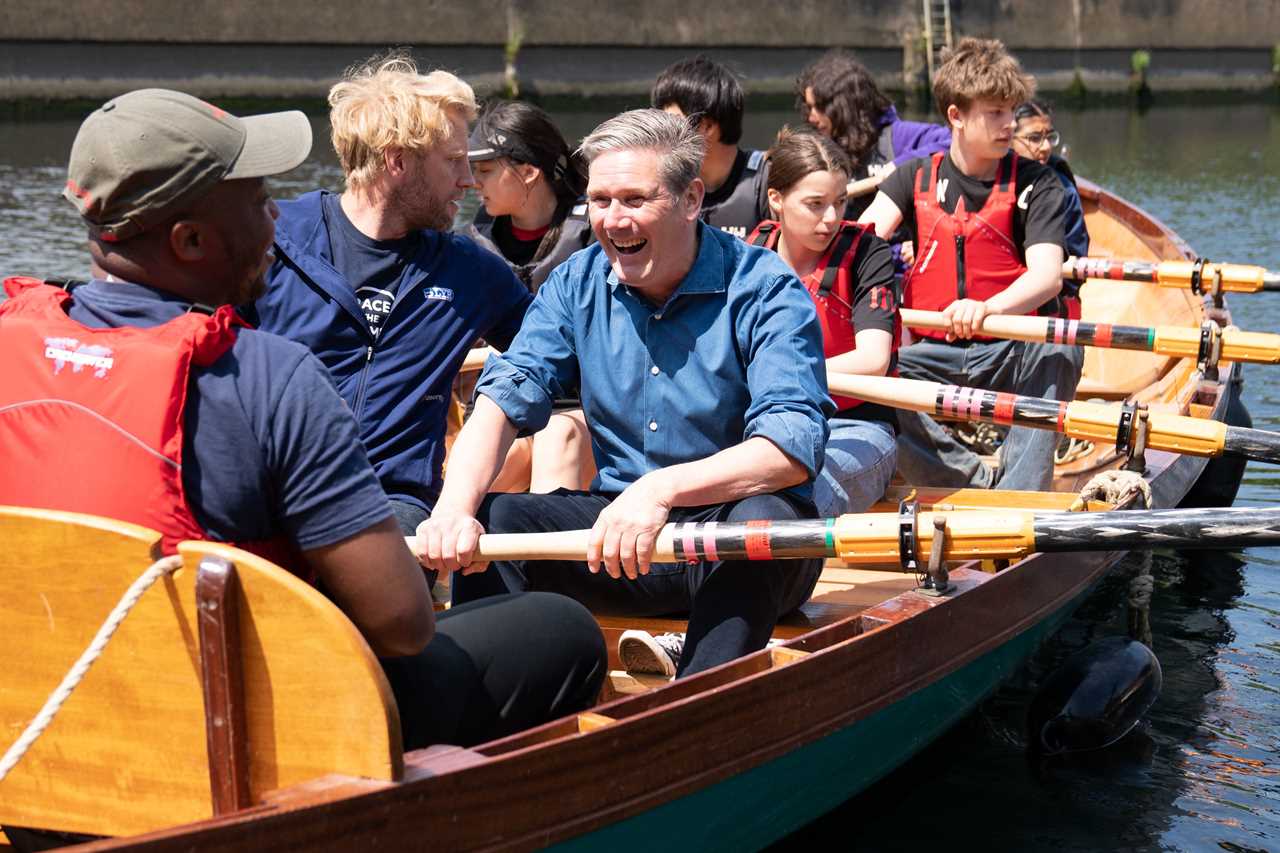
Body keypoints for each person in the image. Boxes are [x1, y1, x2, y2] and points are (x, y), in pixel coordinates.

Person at [0, 88, 605, 751]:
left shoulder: (12, 339)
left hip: (40, 712)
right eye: (260, 204)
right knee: (564, 629)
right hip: (236, 728)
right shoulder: (270, 378)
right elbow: (403, 625)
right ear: (191, 240)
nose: (275, 222)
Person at [417, 109, 833, 680]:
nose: (613, 221)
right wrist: (452, 511)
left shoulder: (766, 287)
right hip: (621, 542)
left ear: (690, 199)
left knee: (756, 523)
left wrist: (660, 491)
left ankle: (697, 703)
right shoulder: (575, 281)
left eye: (634, 200)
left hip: (737, 546)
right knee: (497, 515)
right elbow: (502, 399)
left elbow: (789, 446)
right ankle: (484, 698)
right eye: (600, 200)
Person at [247, 53, 533, 544]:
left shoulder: (473, 272)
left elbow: (557, 351)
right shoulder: (271, 240)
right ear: (398, 162)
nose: (468, 181)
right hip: (263, 489)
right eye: (453, 162)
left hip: (388, 508)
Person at [859, 37, 1082, 492]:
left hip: (1009, 345)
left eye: (1010, 111)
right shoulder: (913, 176)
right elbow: (857, 245)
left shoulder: (1038, 184)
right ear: (956, 116)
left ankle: (1020, 497)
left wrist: (988, 308)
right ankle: (971, 480)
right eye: (994, 113)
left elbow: (1046, 276)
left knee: (1058, 349)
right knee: (867, 374)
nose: (1008, 125)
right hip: (932, 349)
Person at [747, 127, 899, 516]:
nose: (831, 218)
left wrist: (780, 378)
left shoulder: (868, 253)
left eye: (841, 202)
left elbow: (873, 360)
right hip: (762, 424)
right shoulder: (749, 254)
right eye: (815, 204)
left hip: (853, 426)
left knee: (800, 489)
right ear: (776, 199)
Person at [462, 99, 595, 493]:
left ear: (529, 172)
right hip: (504, 404)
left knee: (557, 439)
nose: (473, 183)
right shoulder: (473, 243)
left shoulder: (596, 234)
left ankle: (546, 556)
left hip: (578, 407)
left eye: (485, 171)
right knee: (491, 471)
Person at [796, 50, 951, 219]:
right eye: (809, 107)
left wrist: (898, 166)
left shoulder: (897, 136)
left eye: (819, 107)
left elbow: (953, 140)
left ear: (845, 106)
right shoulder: (820, 148)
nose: (811, 117)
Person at [651, 55, 770, 239]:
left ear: (707, 126)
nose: (661, 131)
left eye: (671, 121)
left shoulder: (766, 181)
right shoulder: (662, 181)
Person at [1013, 100, 1090, 261]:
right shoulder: (988, 177)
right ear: (1007, 137)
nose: (1046, 146)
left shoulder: (1064, 190)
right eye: (1035, 138)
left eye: (1049, 137)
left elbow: (1076, 254)